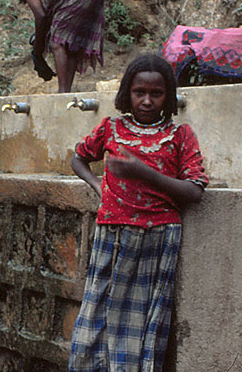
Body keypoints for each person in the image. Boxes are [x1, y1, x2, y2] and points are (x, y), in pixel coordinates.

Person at [68, 54, 208, 371]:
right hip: (112, 236)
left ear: (167, 97)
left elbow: (195, 190)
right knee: (96, 317)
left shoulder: (180, 136)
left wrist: (143, 173)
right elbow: (78, 158)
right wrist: (98, 186)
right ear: (127, 93)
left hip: (158, 239)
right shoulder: (111, 128)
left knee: (144, 321)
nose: (146, 100)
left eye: (155, 94)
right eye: (139, 92)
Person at [1, 0, 106, 93]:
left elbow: (41, 17)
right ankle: (66, 90)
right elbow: (45, 23)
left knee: (56, 43)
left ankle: (62, 90)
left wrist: (37, 53)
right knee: (70, 45)